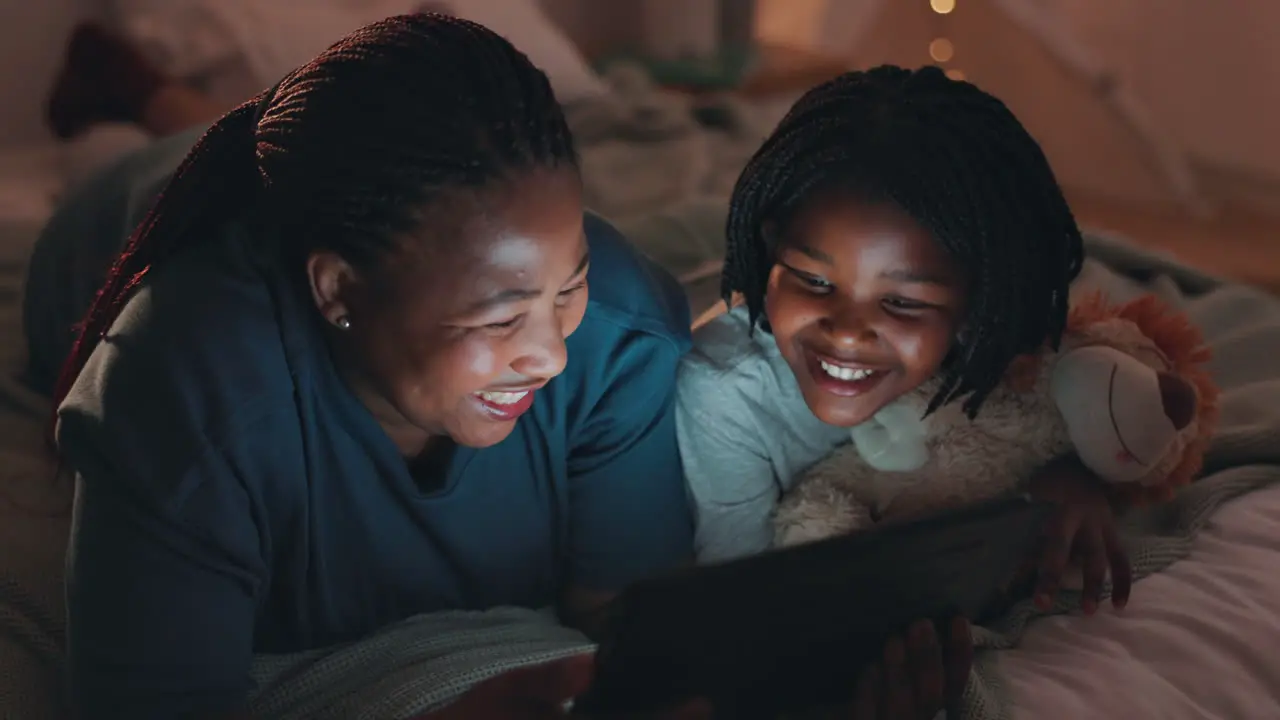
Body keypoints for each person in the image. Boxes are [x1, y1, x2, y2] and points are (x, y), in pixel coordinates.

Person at [42, 15, 701, 719]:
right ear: (336, 290)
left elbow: (625, 621)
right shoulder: (181, 389)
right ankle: (134, 93)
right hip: (114, 223)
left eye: (568, 289)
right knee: (141, 155)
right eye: (498, 317)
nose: (552, 354)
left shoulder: (622, 336)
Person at [677, 65, 1136, 713]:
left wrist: (1074, 479)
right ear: (771, 247)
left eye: (901, 301)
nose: (847, 333)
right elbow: (745, 610)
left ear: (980, 303)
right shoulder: (725, 397)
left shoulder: (994, 350)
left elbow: (1053, 422)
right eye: (812, 280)